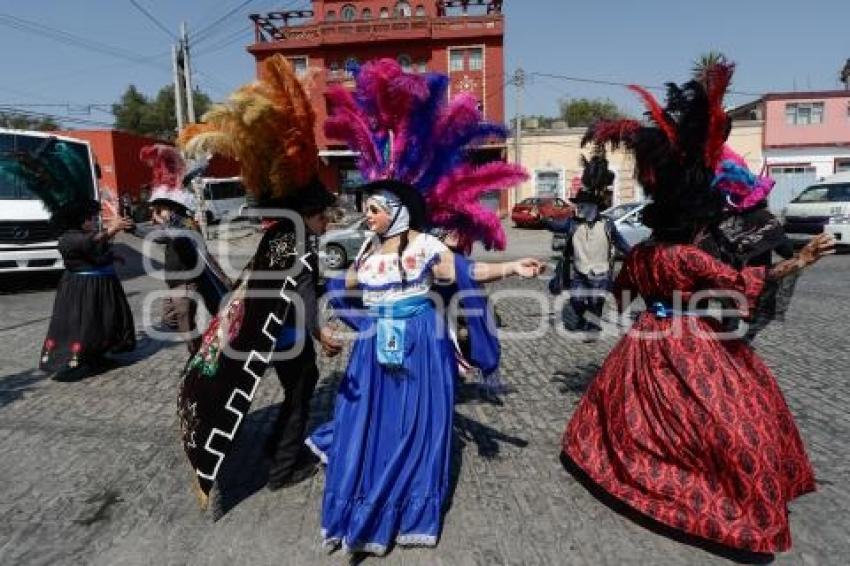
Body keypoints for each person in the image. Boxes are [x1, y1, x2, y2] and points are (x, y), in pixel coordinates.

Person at [561, 59, 835, 555]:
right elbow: (745, 282)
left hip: (644, 340)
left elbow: (621, 298)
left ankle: (627, 472)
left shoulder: (643, 255)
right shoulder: (688, 256)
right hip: (694, 342)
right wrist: (799, 261)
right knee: (729, 420)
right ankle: (735, 508)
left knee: (637, 418)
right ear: (693, 215)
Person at [306, 59, 543, 556]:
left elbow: (467, 272)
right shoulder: (367, 250)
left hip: (420, 344)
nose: (366, 216)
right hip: (373, 349)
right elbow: (344, 282)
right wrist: (314, 285)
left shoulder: (427, 246)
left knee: (415, 427)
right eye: (365, 208)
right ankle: (358, 509)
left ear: (396, 212)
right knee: (366, 424)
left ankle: (405, 507)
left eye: (374, 209)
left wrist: (513, 268)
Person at [175, 55, 341, 506]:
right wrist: (319, 331)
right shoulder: (296, 239)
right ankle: (284, 467)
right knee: (301, 392)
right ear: (309, 212)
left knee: (297, 390)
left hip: (275, 334)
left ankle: (275, 444)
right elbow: (298, 290)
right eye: (324, 214)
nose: (328, 221)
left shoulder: (280, 233)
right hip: (288, 337)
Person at [698, 146, 797, 343]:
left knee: (728, 324)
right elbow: (787, 251)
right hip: (757, 284)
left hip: (728, 285)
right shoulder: (765, 218)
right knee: (748, 326)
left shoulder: (718, 222)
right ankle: (742, 343)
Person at [141, 144, 230, 354]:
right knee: (171, 319)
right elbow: (161, 237)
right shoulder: (175, 223)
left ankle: (199, 354)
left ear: (171, 208)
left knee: (186, 324)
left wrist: (159, 224)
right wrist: (133, 229)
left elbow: (168, 236)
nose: (155, 213)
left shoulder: (183, 224)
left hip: (187, 281)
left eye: (159, 209)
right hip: (175, 281)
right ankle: (205, 345)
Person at [39, 200, 136, 380]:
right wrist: (112, 229)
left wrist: (113, 256)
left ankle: (98, 356)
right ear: (79, 220)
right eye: (89, 218)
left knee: (104, 322)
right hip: (84, 290)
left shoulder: (84, 234)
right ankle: (76, 362)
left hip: (101, 287)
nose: (93, 221)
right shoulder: (69, 237)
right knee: (86, 325)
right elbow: (90, 243)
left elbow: (96, 251)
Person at [546, 152, 631, 333]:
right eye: (579, 205)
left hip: (601, 273)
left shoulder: (607, 224)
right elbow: (556, 225)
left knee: (595, 301)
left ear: (593, 206)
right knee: (577, 300)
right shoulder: (573, 224)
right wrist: (542, 219)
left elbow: (621, 243)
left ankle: (592, 325)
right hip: (580, 272)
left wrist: (635, 254)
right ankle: (584, 320)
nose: (579, 208)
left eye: (582, 205)